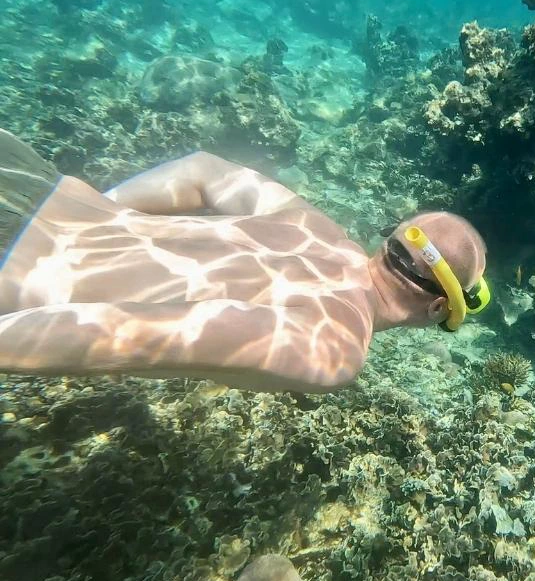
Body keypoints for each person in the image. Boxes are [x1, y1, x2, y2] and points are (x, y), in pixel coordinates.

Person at [0, 129, 490, 393]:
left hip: (33, 181)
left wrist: (98, 217)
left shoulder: (315, 226)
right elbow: (126, 333)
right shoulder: (334, 347)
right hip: (12, 269)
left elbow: (202, 168)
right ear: (439, 308)